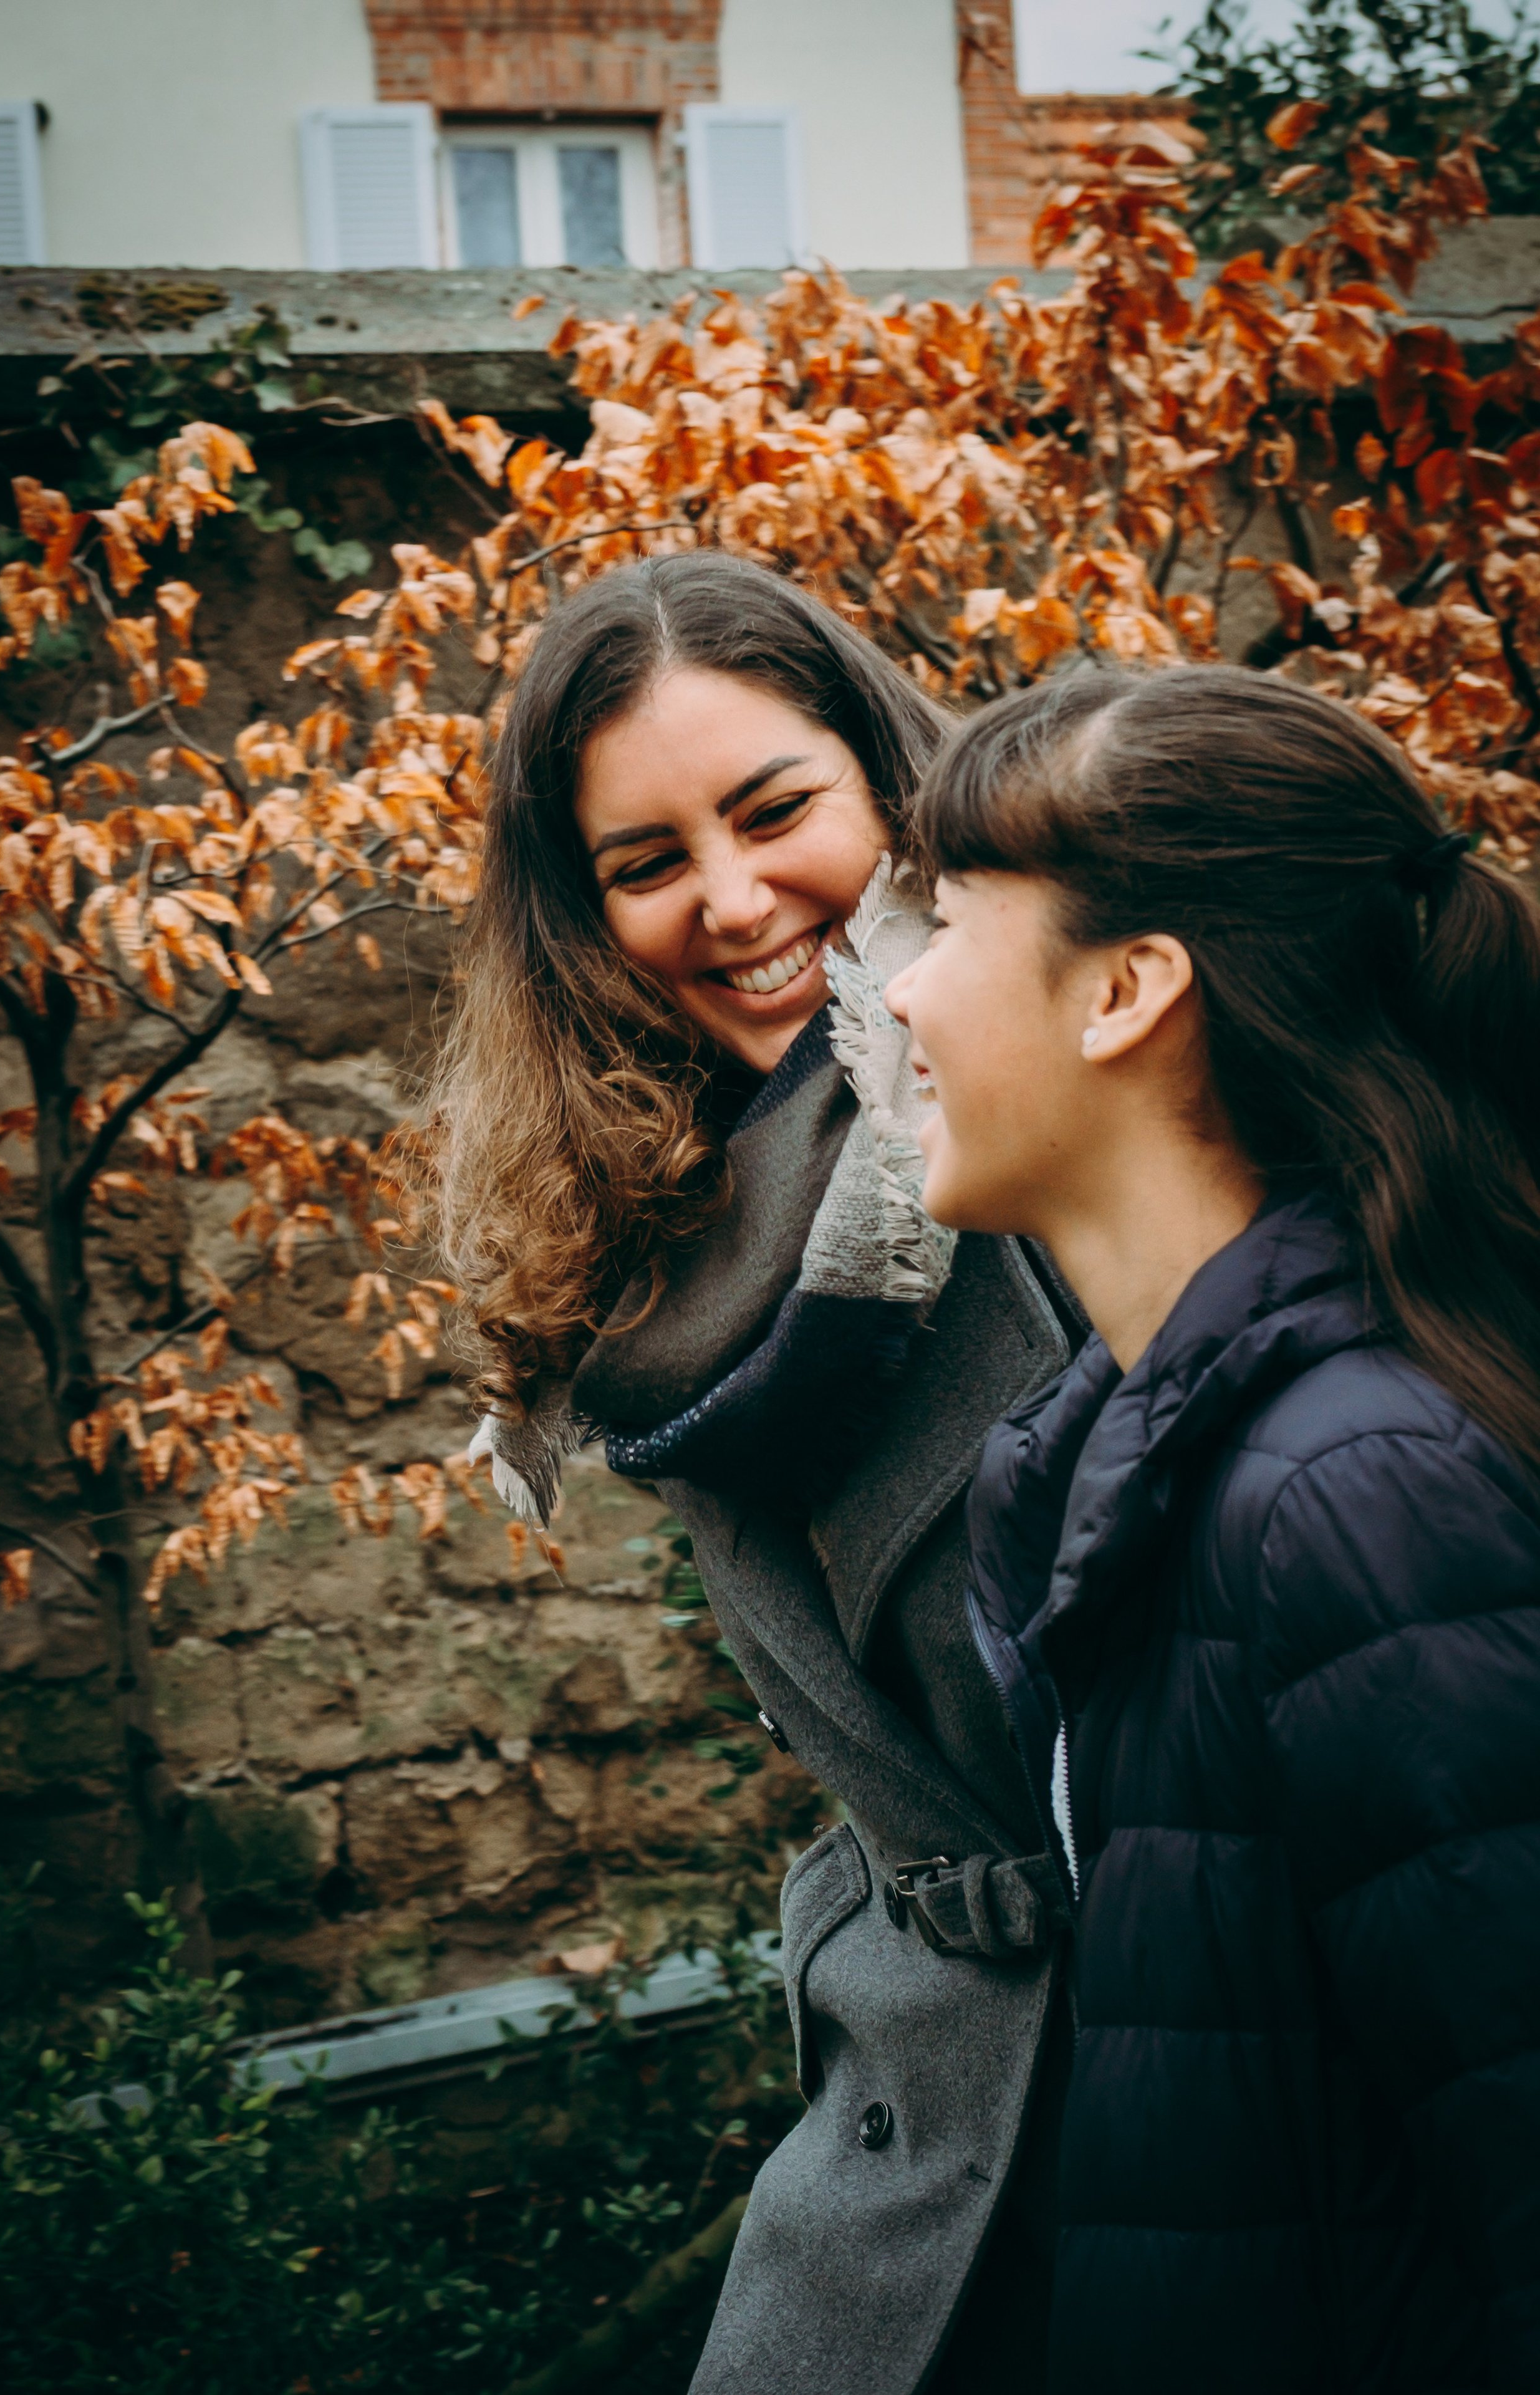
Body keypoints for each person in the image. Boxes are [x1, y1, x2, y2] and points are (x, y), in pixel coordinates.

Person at [433, 552, 1079, 2394]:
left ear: (899, 786)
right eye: (647, 862)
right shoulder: (666, 1247)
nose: (732, 902)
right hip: (919, 2119)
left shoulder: (1067, 1131)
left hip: (1171, 2128)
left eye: (778, 810)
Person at [885, 662, 1540, 2394]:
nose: (900, 995)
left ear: (1127, 989)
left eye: (945, 924)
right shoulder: (1154, 1467)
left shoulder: (1358, 1497)